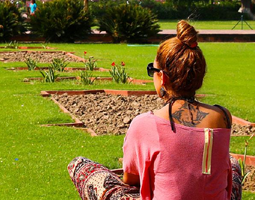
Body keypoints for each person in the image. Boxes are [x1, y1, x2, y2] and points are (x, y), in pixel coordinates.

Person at [68, 20, 243, 200]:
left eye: (153, 70)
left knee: (80, 165)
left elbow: (131, 179)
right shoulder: (223, 117)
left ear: (163, 77)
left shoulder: (145, 124)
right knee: (233, 164)